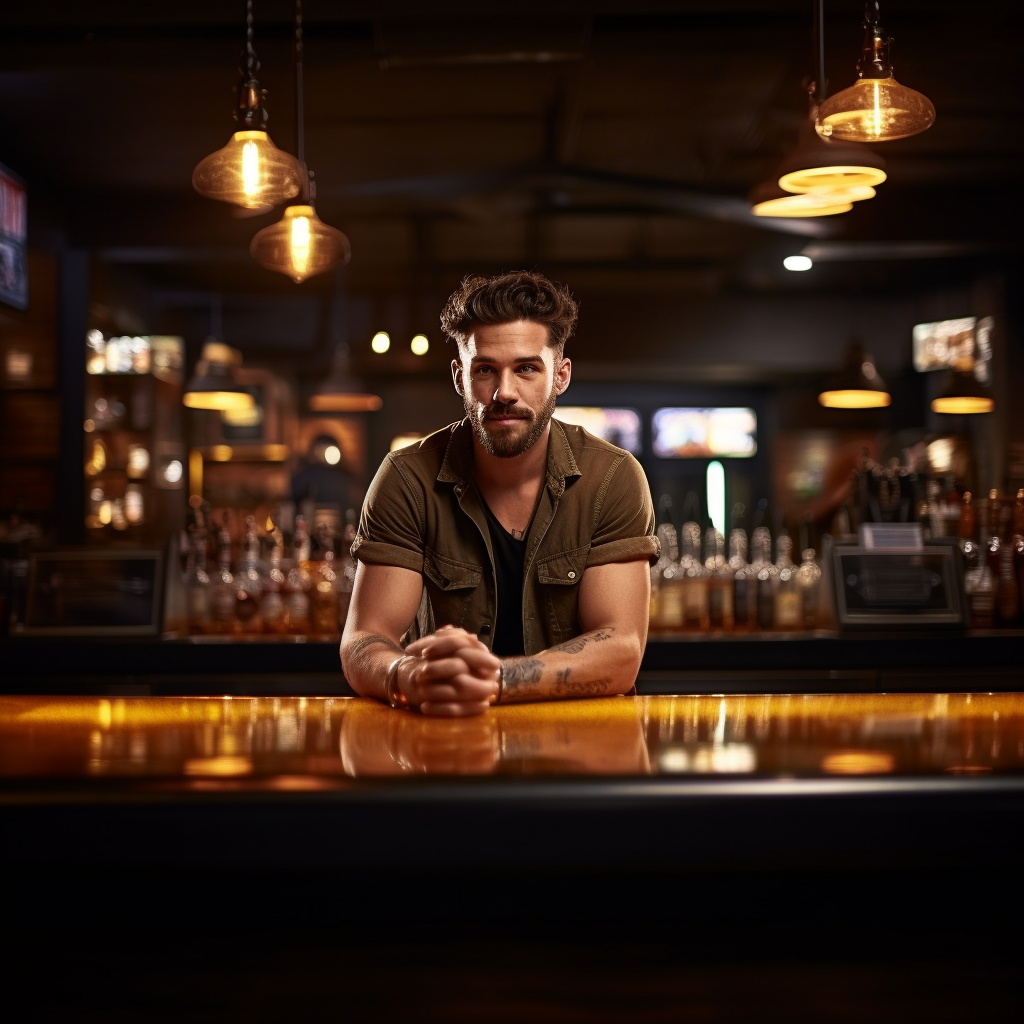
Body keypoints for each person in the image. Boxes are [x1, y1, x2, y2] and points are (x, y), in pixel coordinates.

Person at [340, 270, 659, 716]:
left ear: (561, 376)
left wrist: (493, 680)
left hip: (581, 746)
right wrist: (409, 676)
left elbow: (622, 649)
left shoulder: (612, 477)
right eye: (485, 369)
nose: (504, 392)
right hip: (444, 738)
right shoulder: (406, 477)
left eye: (526, 368)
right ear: (459, 376)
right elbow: (364, 639)